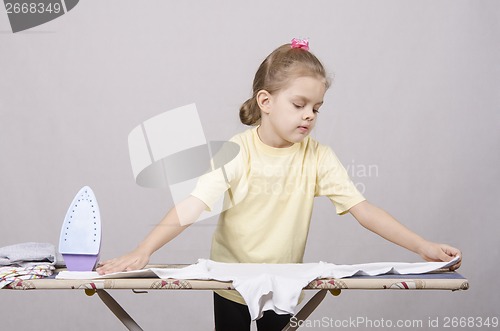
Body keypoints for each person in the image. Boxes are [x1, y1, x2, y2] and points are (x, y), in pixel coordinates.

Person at [97, 38, 462, 331]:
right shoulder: (236, 152)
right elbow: (192, 204)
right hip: (231, 285)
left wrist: (422, 246)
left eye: (317, 108)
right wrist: (143, 251)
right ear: (265, 101)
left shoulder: (318, 156)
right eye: (300, 104)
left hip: (285, 283)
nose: (309, 115)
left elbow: (363, 210)